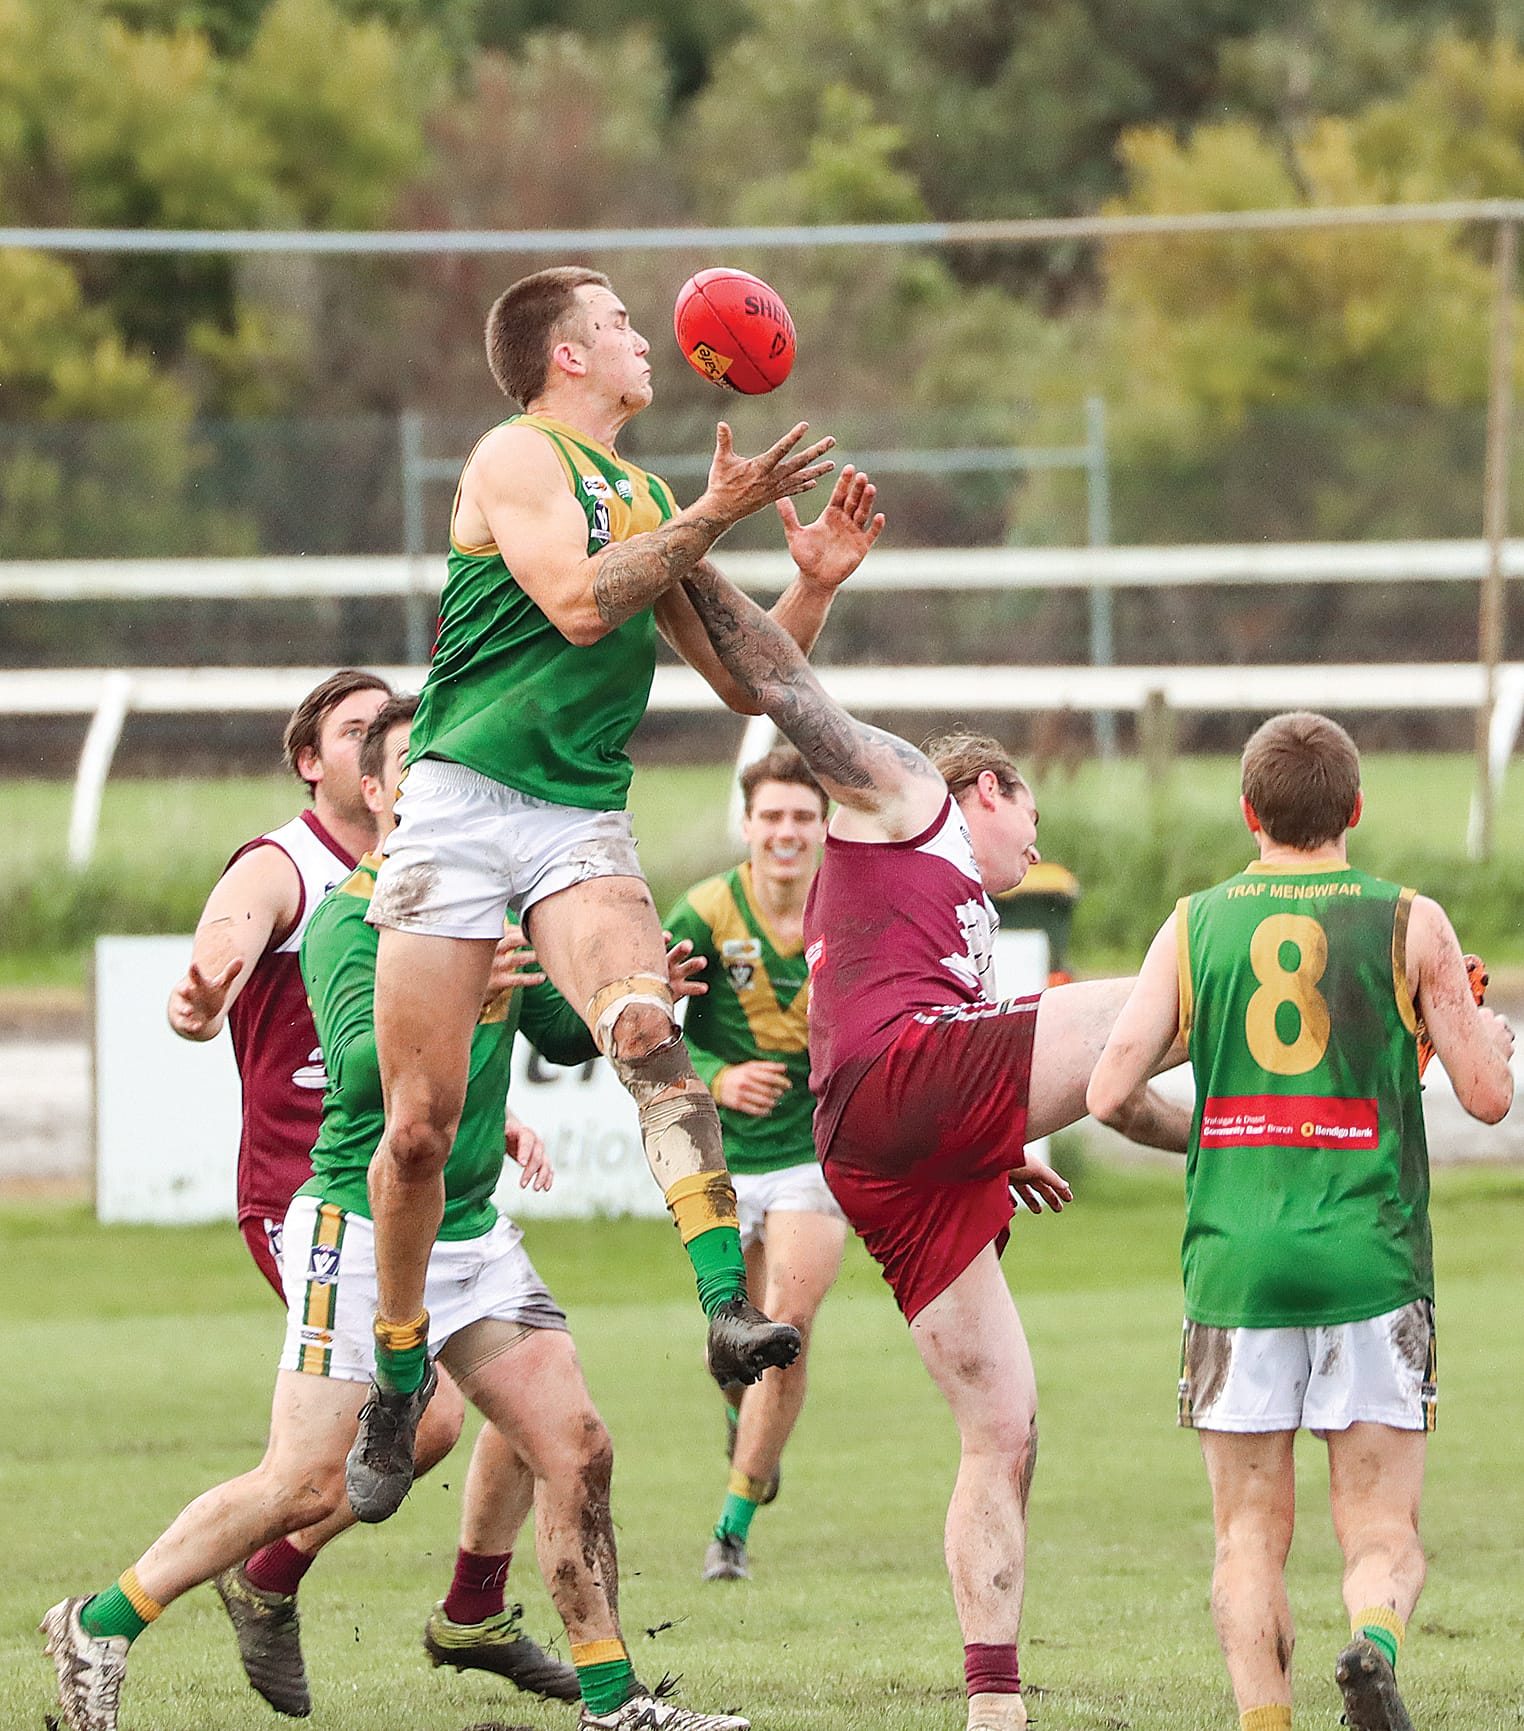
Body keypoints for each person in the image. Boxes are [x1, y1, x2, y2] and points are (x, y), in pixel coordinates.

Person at [43, 699, 747, 1731]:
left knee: (578, 1446)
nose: (450, 782)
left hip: (473, 1235)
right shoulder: (348, 918)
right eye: (421, 768)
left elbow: (556, 1030)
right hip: (361, 1233)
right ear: (376, 794)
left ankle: (612, 1702)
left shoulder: (494, 906)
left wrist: (632, 995)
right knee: (296, 1484)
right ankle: (101, 1620)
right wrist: (469, 993)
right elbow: (366, 1074)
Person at [351, 263, 885, 1523]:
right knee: (421, 1126)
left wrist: (808, 578)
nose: (648, 338)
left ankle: (725, 1312)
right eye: (623, 324)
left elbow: (751, 683)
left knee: (648, 1030)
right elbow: (585, 603)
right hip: (462, 803)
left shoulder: (649, 494)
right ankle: (390, 1366)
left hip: (577, 818)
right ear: (566, 357)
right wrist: (713, 514)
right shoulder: (515, 458)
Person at [672, 564, 1189, 1731]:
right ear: (991, 788)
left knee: (1004, 1427)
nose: (1032, 847)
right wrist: (705, 557)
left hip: (887, 1148)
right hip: (895, 1090)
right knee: (1190, 970)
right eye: (1033, 820)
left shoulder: (959, 904)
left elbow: (894, 1002)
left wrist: (994, 1141)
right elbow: (787, 693)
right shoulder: (910, 798)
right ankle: (1299, 1105)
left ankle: (991, 1705)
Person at [1085, 711, 1514, 1731]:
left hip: (1236, 1268)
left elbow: (1106, 1093)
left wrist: (1203, 1139)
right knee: (1381, 1528)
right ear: (1355, 810)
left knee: (1245, 1533)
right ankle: (1371, 1643)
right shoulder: (1411, 920)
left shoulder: (1192, 924)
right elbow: (1490, 1096)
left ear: (1249, 814)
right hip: (1370, 1260)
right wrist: (1483, 1032)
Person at [161, 670, 474, 1711]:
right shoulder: (283, 863)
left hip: (397, 1188)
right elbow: (229, 938)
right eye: (356, 730)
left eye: (395, 728)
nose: (386, 742)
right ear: (313, 761)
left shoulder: (429, 866)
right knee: (416, 1424)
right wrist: (205, 992)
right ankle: (230, 1584)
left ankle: (457, 1606)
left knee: (462, 1415)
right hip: (304, 1198)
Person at [665, 747, 846, 1583]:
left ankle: (730, 1529)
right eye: (771, 815)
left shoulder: (848, 911)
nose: (786, 831)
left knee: (788, 1329)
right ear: (747, 824)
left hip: (816, 1149)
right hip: (723, 1163)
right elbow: (645, 1027)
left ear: (824, 826)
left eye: (802, 816)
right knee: (733, 1352)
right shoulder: (701, 914)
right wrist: (717, 1075)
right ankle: (748, 1427)